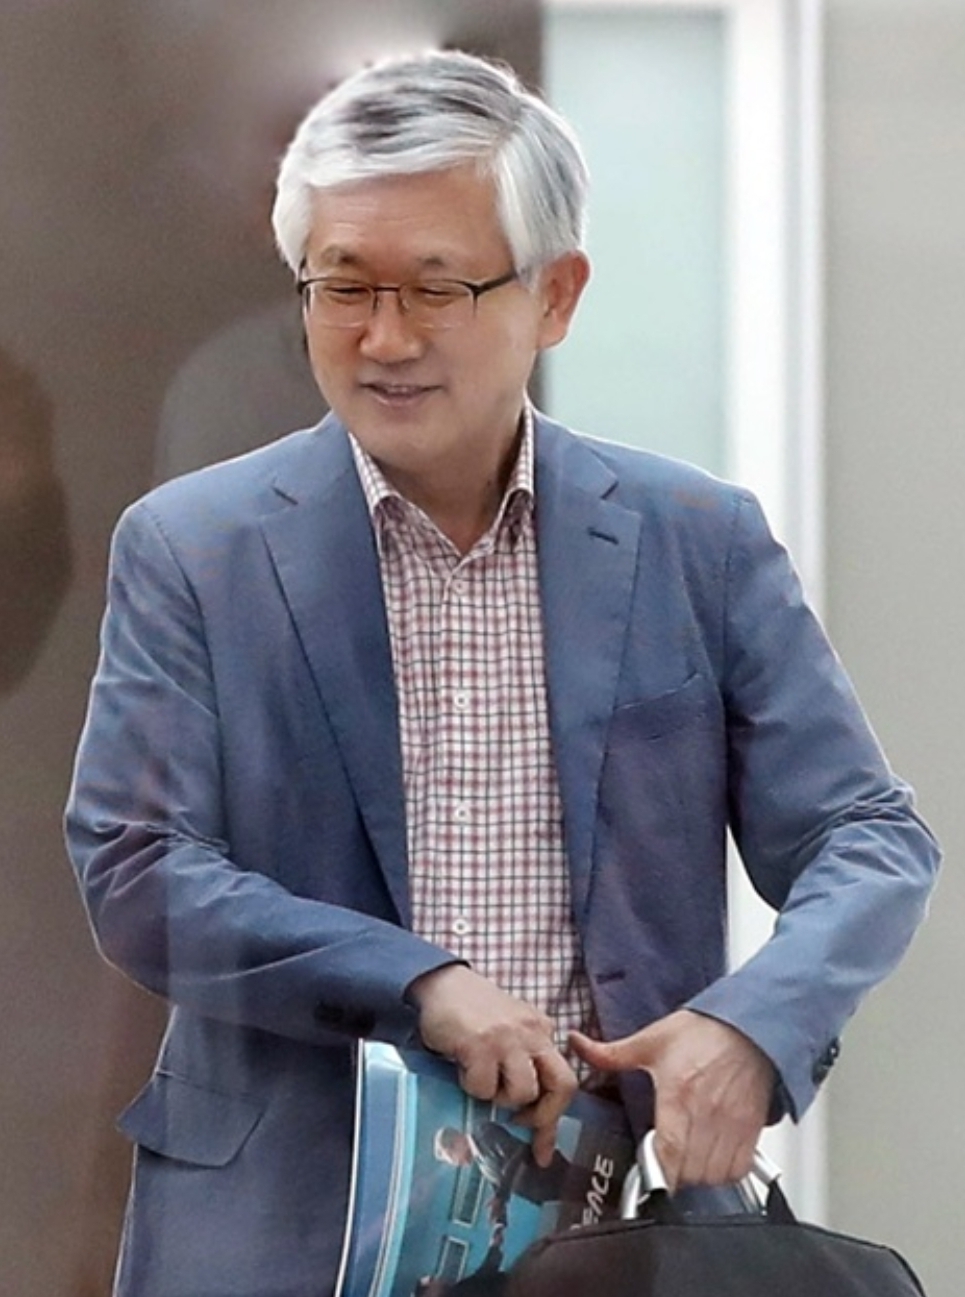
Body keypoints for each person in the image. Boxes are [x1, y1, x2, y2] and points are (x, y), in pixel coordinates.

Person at [65, 49, 940, 1297]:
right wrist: (419, 982)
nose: (383, 337)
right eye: (342, 285)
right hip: (280, 1227)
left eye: (437, 287)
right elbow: (136, 867)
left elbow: (866, 835)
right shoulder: (195, 548)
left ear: (556, 293)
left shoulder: (692, 540)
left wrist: (750, 1027)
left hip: (616, 1232)